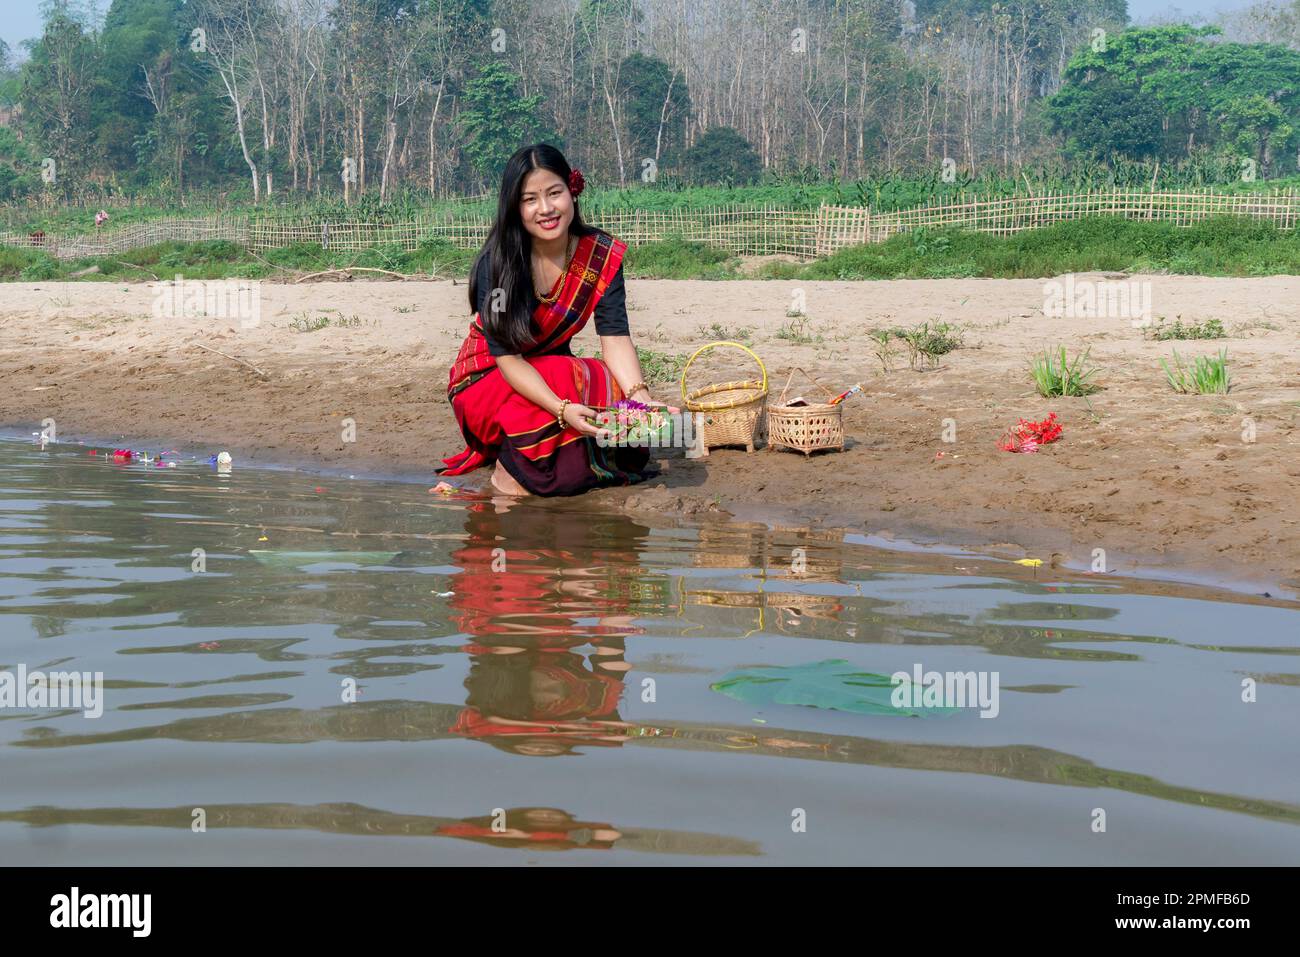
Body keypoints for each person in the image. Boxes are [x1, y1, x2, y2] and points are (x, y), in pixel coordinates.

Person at [439, 143, 674, 496]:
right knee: (567, 376)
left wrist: (640, 398)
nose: (546, 209)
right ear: (515, 208)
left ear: (572, 191)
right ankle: (510, 474)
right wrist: (562, 409)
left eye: (554, 193)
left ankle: (554, 461)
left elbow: (614, 336)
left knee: (607, 385)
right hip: (486, 380)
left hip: (550, 371)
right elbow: (508, 359)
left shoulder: (599, 256)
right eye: (530, 199)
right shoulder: (498, 264)